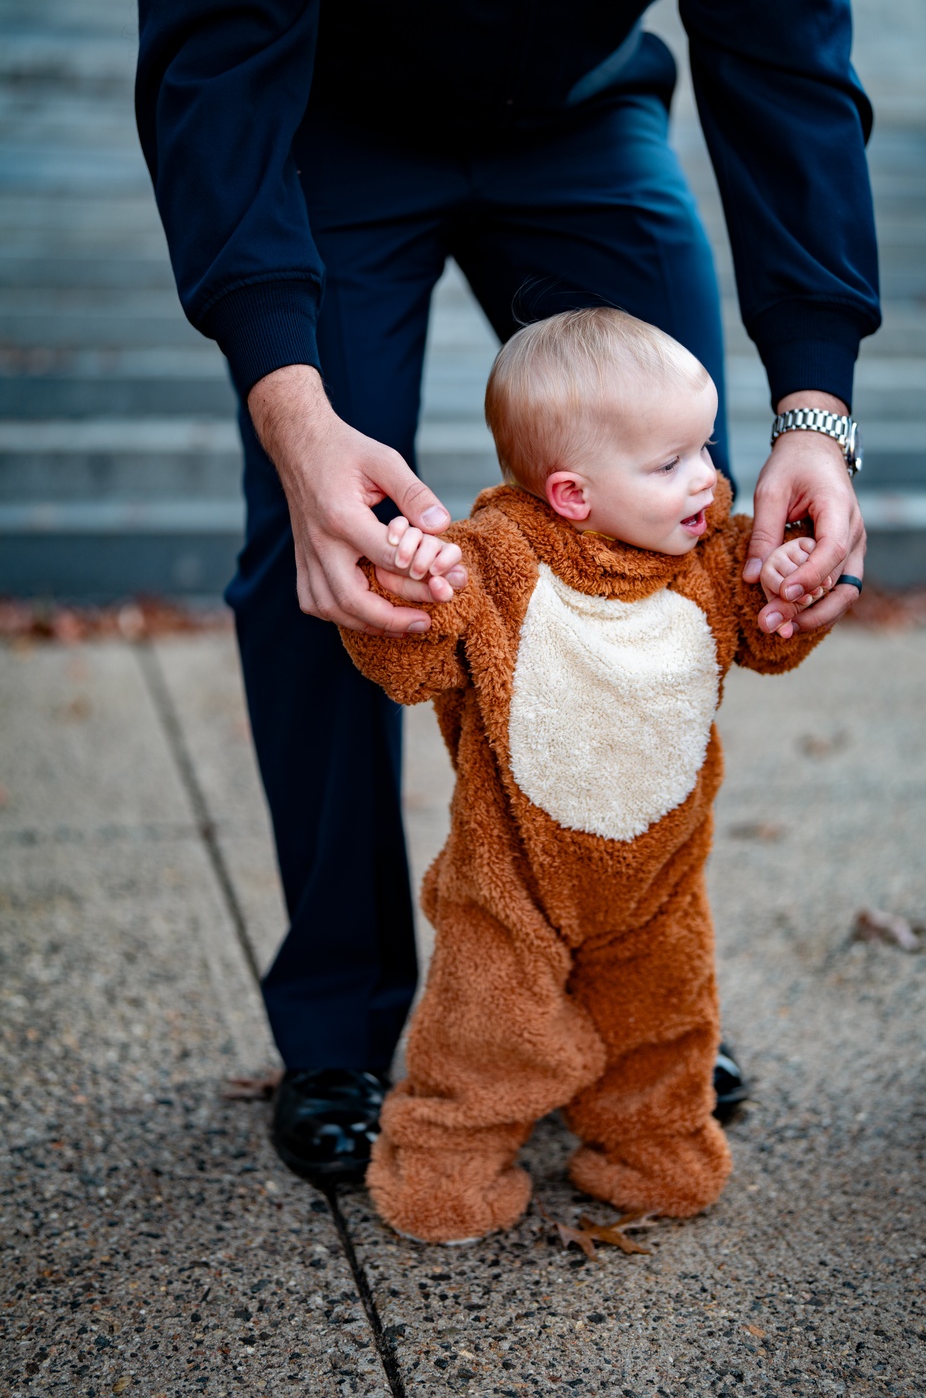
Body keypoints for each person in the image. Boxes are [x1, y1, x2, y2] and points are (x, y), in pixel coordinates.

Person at [133, 0, 878, 1182]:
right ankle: (344, 1026)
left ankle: (621, 1000)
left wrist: (816, 409)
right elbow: (213, 48)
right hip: (329, 118)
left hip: (582, 117)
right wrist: (292, 409)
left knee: (673, 534)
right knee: (338, 560)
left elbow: (786, 46)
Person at [340, 309, 832, 1244]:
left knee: (667, 1015)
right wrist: (408, 590)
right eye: (669, 463)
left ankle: (652, 1143)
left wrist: (791, 584)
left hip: (656, 877)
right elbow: (414, 665)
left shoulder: (712, 553)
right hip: (514, 874)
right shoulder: (495, 561)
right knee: (483, 1028)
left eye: (706, 447)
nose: (707, 478)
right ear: (571, 493)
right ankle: (443, 1169)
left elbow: (770, 640)